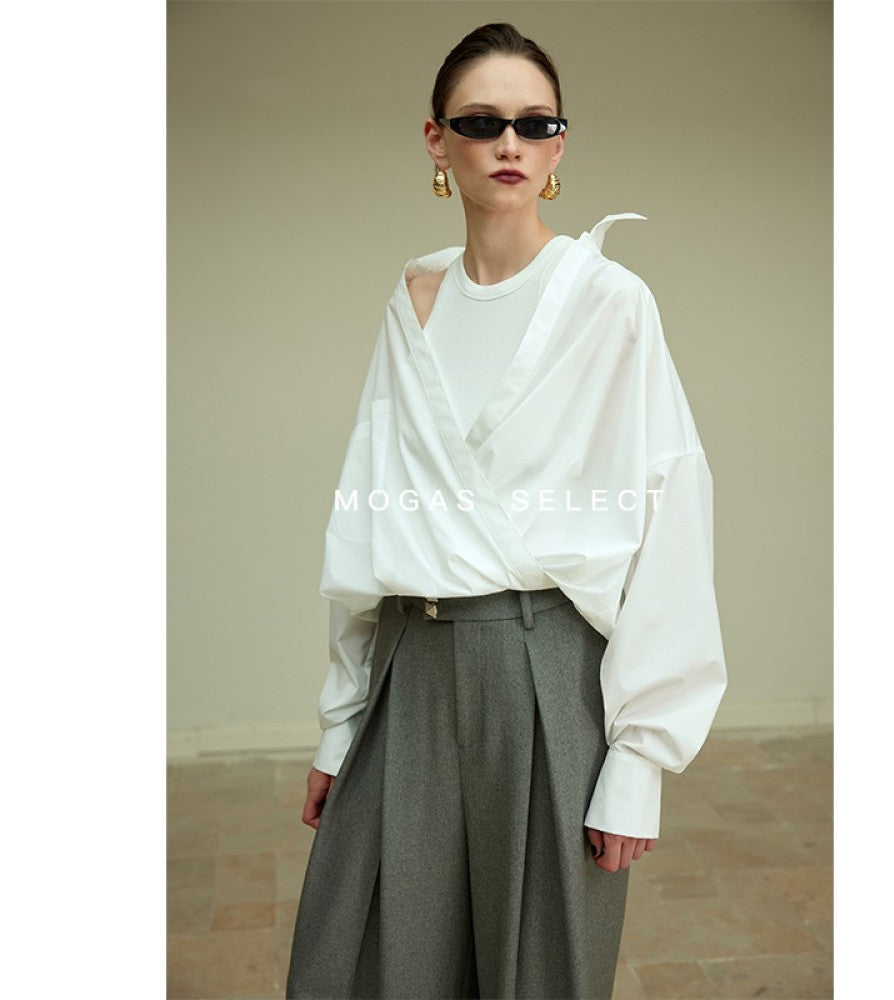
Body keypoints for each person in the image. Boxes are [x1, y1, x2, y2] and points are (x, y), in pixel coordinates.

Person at [286, 21, 727, 1000]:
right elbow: (369, 513)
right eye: (482, 121)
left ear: (560, 144)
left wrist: (639, 759)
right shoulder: (414, 298)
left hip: (546, 673)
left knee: (536, 975)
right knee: (365, 966)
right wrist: (340, 722)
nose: (510, 143)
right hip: (409, 666)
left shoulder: (610, 301)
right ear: (437, 140)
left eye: (536, 123)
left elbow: (668, 506)